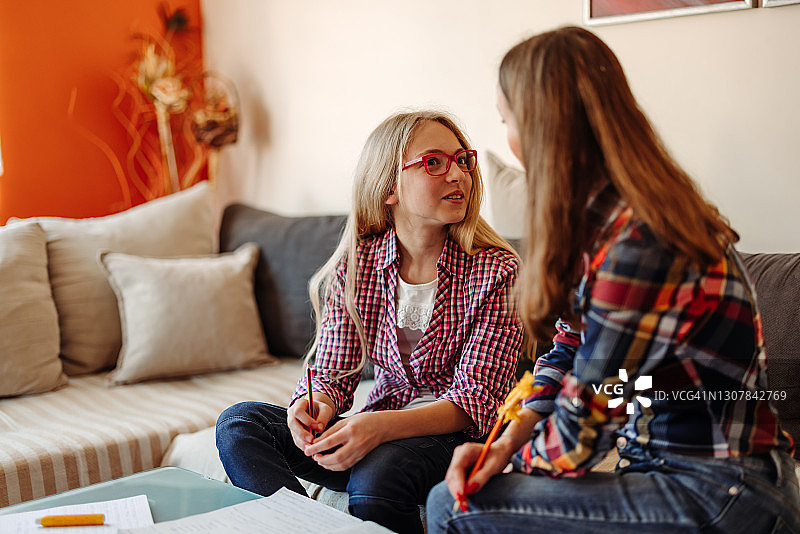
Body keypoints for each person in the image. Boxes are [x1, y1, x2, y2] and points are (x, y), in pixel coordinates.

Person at [427, 26, 800, 534]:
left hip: (723, 490)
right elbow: (571, 342)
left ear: (543, 124)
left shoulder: (638, 242)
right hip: (669, 473)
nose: (509, 140)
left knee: (453, 507)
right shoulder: (601, 227)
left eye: (507, 121)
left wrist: (505, 468)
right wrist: (512, 437)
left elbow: (585, 426)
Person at [216, 110, 524, 534]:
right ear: (388, 188)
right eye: (434, 162)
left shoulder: (498, 271)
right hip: (378, 426)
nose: (458, 175)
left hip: (456, 440)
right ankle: (306, 528)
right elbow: (332, 371)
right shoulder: (359, 264)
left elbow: (474, 400)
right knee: (239, 424)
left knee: (377, 479)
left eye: (462, 160)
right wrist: (315, 407)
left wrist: (376, 427)